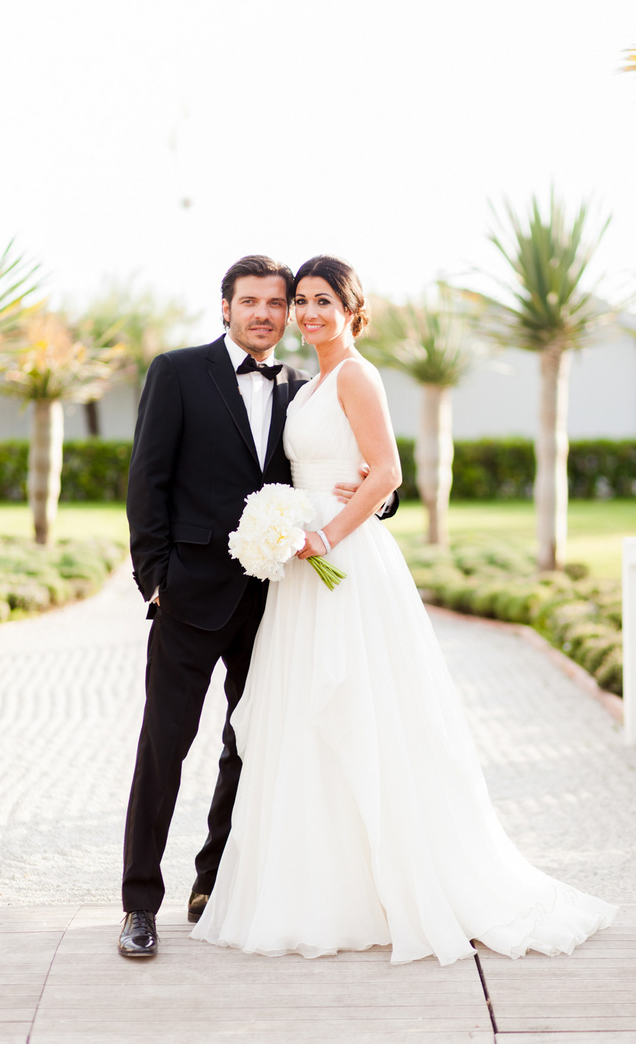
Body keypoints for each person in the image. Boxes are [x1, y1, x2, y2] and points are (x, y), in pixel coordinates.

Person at [191, 255, 617, 965]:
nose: (308, 313)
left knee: (363, 711)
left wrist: (324, 531)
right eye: (302, 301)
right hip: (302, 568)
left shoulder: (356, 374)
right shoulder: (308, 385)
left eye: (323, 300)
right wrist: (284, 523)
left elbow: (386, 471)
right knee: (303, 723)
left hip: (345, 563)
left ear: (354, 310)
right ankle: (317, 886)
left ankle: (398, 885)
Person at [119, 255, 397, 958]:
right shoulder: (177, 372)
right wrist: (154, 575)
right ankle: (139, 905)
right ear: (225, 307)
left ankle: (213, 882)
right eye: (254, 302)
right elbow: (146, 479)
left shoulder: (306, 389)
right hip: (188, 595)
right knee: (164, 747)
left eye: (281, 302)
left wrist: (376, 496)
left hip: (276, 598)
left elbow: (345, 472)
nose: (270, 314)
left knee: (251, 743)